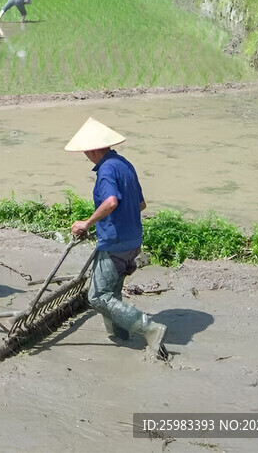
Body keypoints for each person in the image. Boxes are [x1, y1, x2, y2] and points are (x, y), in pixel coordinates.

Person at [65, 117, 168, 359]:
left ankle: (151, 329)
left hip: (115, 244)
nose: (85, 156)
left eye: (85, 151)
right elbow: (140, 204)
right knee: (113, 293)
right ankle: (120, 336)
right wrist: (109, 219)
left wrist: (87, 223)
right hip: (132, 241)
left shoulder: (106, 170)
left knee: (98, 297)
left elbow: (111, 202)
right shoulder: (124, 164)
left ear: (92, 149)